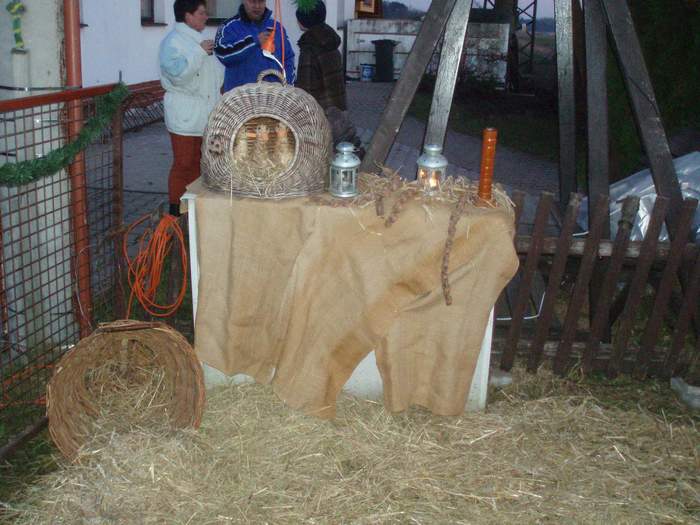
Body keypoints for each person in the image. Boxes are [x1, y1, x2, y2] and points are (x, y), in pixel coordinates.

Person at [159, 0, 223, 216]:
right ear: (188, 16)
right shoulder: (173, 42)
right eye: (202, 13)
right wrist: (198, 52)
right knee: (183, 164)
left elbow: (215, 79)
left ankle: (192, 210)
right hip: (184, 114)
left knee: (198, 162)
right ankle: (174, 213)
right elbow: (177, 75)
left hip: (203, 114)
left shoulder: (198, 42)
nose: (206, 17)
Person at [295, 0, 363, 155]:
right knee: (347, 147)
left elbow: (306, 88)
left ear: (302, 21)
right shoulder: (330, 42)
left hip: (323, 112)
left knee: (327, 154)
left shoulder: (310, 48)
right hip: (338, 106)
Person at [214, 0, 295, 92]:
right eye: (252, 1)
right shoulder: (229, 27)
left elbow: (288, 59)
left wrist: (288, 87)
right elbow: (222, 54)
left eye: (261, 1)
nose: (257, 6)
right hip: (241, 96)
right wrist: (253, 42)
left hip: (273, 96)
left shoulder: (277, 27)